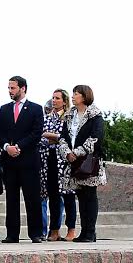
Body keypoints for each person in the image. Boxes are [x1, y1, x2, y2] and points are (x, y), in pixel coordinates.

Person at [0, 75, 44, 243]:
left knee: (32, 199)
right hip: (9, 162)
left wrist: (19, 147)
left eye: (13, 88)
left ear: (23, 88)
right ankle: (12, 234)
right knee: (12, 199)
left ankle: (36, 233)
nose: (10, 91)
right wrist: (6, 147)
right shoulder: (4, 109)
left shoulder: (36, 109)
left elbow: (36, 133)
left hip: (28, 161)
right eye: (8, 88)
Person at [59, 85, 106, 243]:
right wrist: (66, 152)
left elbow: (96, 138)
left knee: (90, 196)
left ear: (85, 96)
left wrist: (78, 152)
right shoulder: (70, 115)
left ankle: (90, 232)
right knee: (80, 196)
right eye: (73, 93)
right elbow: (63, 137)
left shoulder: (95, 115)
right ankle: (84, 232)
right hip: (73, 162)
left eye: (76, 94)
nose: (73, 96)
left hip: (89, 161)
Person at [41, 89, 76, 241]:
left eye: (57, 98)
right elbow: (41, 136)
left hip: (65, 161)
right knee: (53, 195)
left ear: (64, 101)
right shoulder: (47, 118)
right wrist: (53, 137)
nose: (54, 100)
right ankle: (54, 230)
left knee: (68, 195)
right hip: (49, 159)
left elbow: (67, 138)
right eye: (53, 98)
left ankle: (71, 229)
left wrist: (53, 136)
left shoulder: (70, 118)